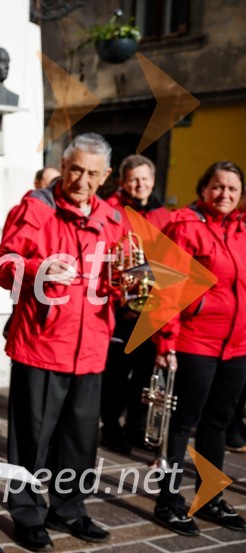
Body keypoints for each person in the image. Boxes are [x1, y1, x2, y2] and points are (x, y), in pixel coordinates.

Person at [0, 133, 124, 551]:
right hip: (41, 343)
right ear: (63, 167)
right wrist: (38, 272)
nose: (81, 179)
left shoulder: (114, 218)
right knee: (32, 439)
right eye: (74, 169)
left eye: (91, 173)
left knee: (80, 440)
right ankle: (27, 513)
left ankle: (69, 508)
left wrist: (131, 284)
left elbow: (121, 275)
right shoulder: (35, 208)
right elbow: (2, 266)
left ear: (104, 176)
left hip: (91, 347)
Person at [151, 161, 246, 537]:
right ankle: (169, 501)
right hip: (195, 341)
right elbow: (167, 287)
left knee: (218, 424)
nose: (224, 195)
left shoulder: (242, 228)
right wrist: (166, 339)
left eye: (232, 189)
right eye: (217, 187)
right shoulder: (184, 225)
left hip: (237, 345)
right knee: (182, 424)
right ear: (203, 188)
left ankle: (209, 497)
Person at [100, 154, 171, 454]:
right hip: (123, 310)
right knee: (116, 375)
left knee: (145, 375)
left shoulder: (167, 216)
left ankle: (136, 427)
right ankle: (112, 427)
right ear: (122, 182)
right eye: (133, 179)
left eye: (145, 179)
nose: (140, 184)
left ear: (153, 181)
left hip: (154, 309)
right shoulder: (111, 212)